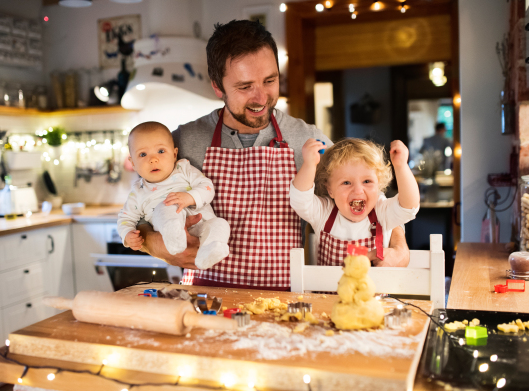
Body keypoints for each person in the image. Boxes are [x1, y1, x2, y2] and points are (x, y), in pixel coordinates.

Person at [136, 20, 410, 290]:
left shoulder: (307, 140)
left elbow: (368, 201)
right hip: (205, 294)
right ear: (217, 86)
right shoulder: (183, 141)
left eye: (270, 80)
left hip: (283, 300)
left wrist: (399, 247)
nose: (260, 97)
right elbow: (138, 205)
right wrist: (154, 243)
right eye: (245, 87)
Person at [117, 122, 230, 270]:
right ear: (132, 163)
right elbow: (125, 218)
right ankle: (174, 237)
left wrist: (189, 197)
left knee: (220, 224)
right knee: (167, 206)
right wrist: (127, 235)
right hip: (167, 232)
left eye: (161, 151)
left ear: (174, 154)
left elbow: (207, 187)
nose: (153, 159)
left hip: (202, 224)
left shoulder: (183, 169)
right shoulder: (138, 192)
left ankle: (212, 250)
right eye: (143, 154)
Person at [290, 138, 420, 266]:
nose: (358, 191)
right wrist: (309, 165)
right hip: (330, 287)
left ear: (378, 185)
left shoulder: (381, 212)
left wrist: (401, 166)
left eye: (367, 181)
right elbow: (300, 200)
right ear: (330, 189)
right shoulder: (324, 213)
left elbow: (409, 207)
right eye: (346, 182)